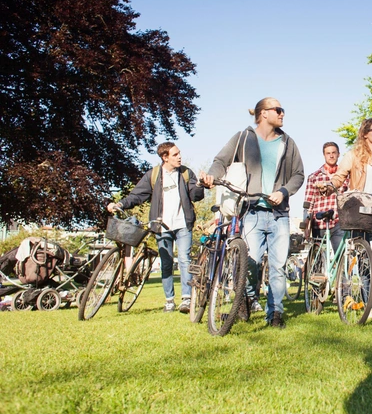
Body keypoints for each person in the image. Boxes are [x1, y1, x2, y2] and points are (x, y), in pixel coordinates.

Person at [200, 98, 304, 329]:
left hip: (279, 215)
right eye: (278, 110)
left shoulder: (288, 143)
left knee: (277, 267)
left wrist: (284, 191)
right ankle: (245, 299)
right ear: (263, 113)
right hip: (251, 212)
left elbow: (298, 174)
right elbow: (220, 161)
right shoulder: (242, 138)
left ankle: (275, 314)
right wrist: (210, 175)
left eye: (282, 110)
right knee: (249, 263)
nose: (282, 114)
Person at [108, 142, 204, 313]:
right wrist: (121, 203)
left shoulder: (186, 173)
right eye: (175, 155)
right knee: (166, 263)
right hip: (161, 226)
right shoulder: (153, 175)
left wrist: (199, 185)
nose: (179, 157)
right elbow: (137, 195)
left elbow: (196, 196)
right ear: (164, 157)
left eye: (179, 153)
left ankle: (186, 299)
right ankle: (169, 300)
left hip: (183, 224)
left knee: (184, 259)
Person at [329, 118, 372, 312]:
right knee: (363, 256)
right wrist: (329, 186)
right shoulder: (353, 155)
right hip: (357, 208)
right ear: (365, 133)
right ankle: (366, 303)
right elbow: (339, 176)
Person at [302, 142, 348, 252]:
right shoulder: (314, 177)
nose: (331, 156)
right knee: (318, 260)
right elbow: (308, 203)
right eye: (328, 153)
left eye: (333, 153)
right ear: (324, 155)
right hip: (319, 223)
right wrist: (305, 226)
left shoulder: (345, 176)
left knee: (341, 256)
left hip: (338, 222)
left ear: (338, 154)